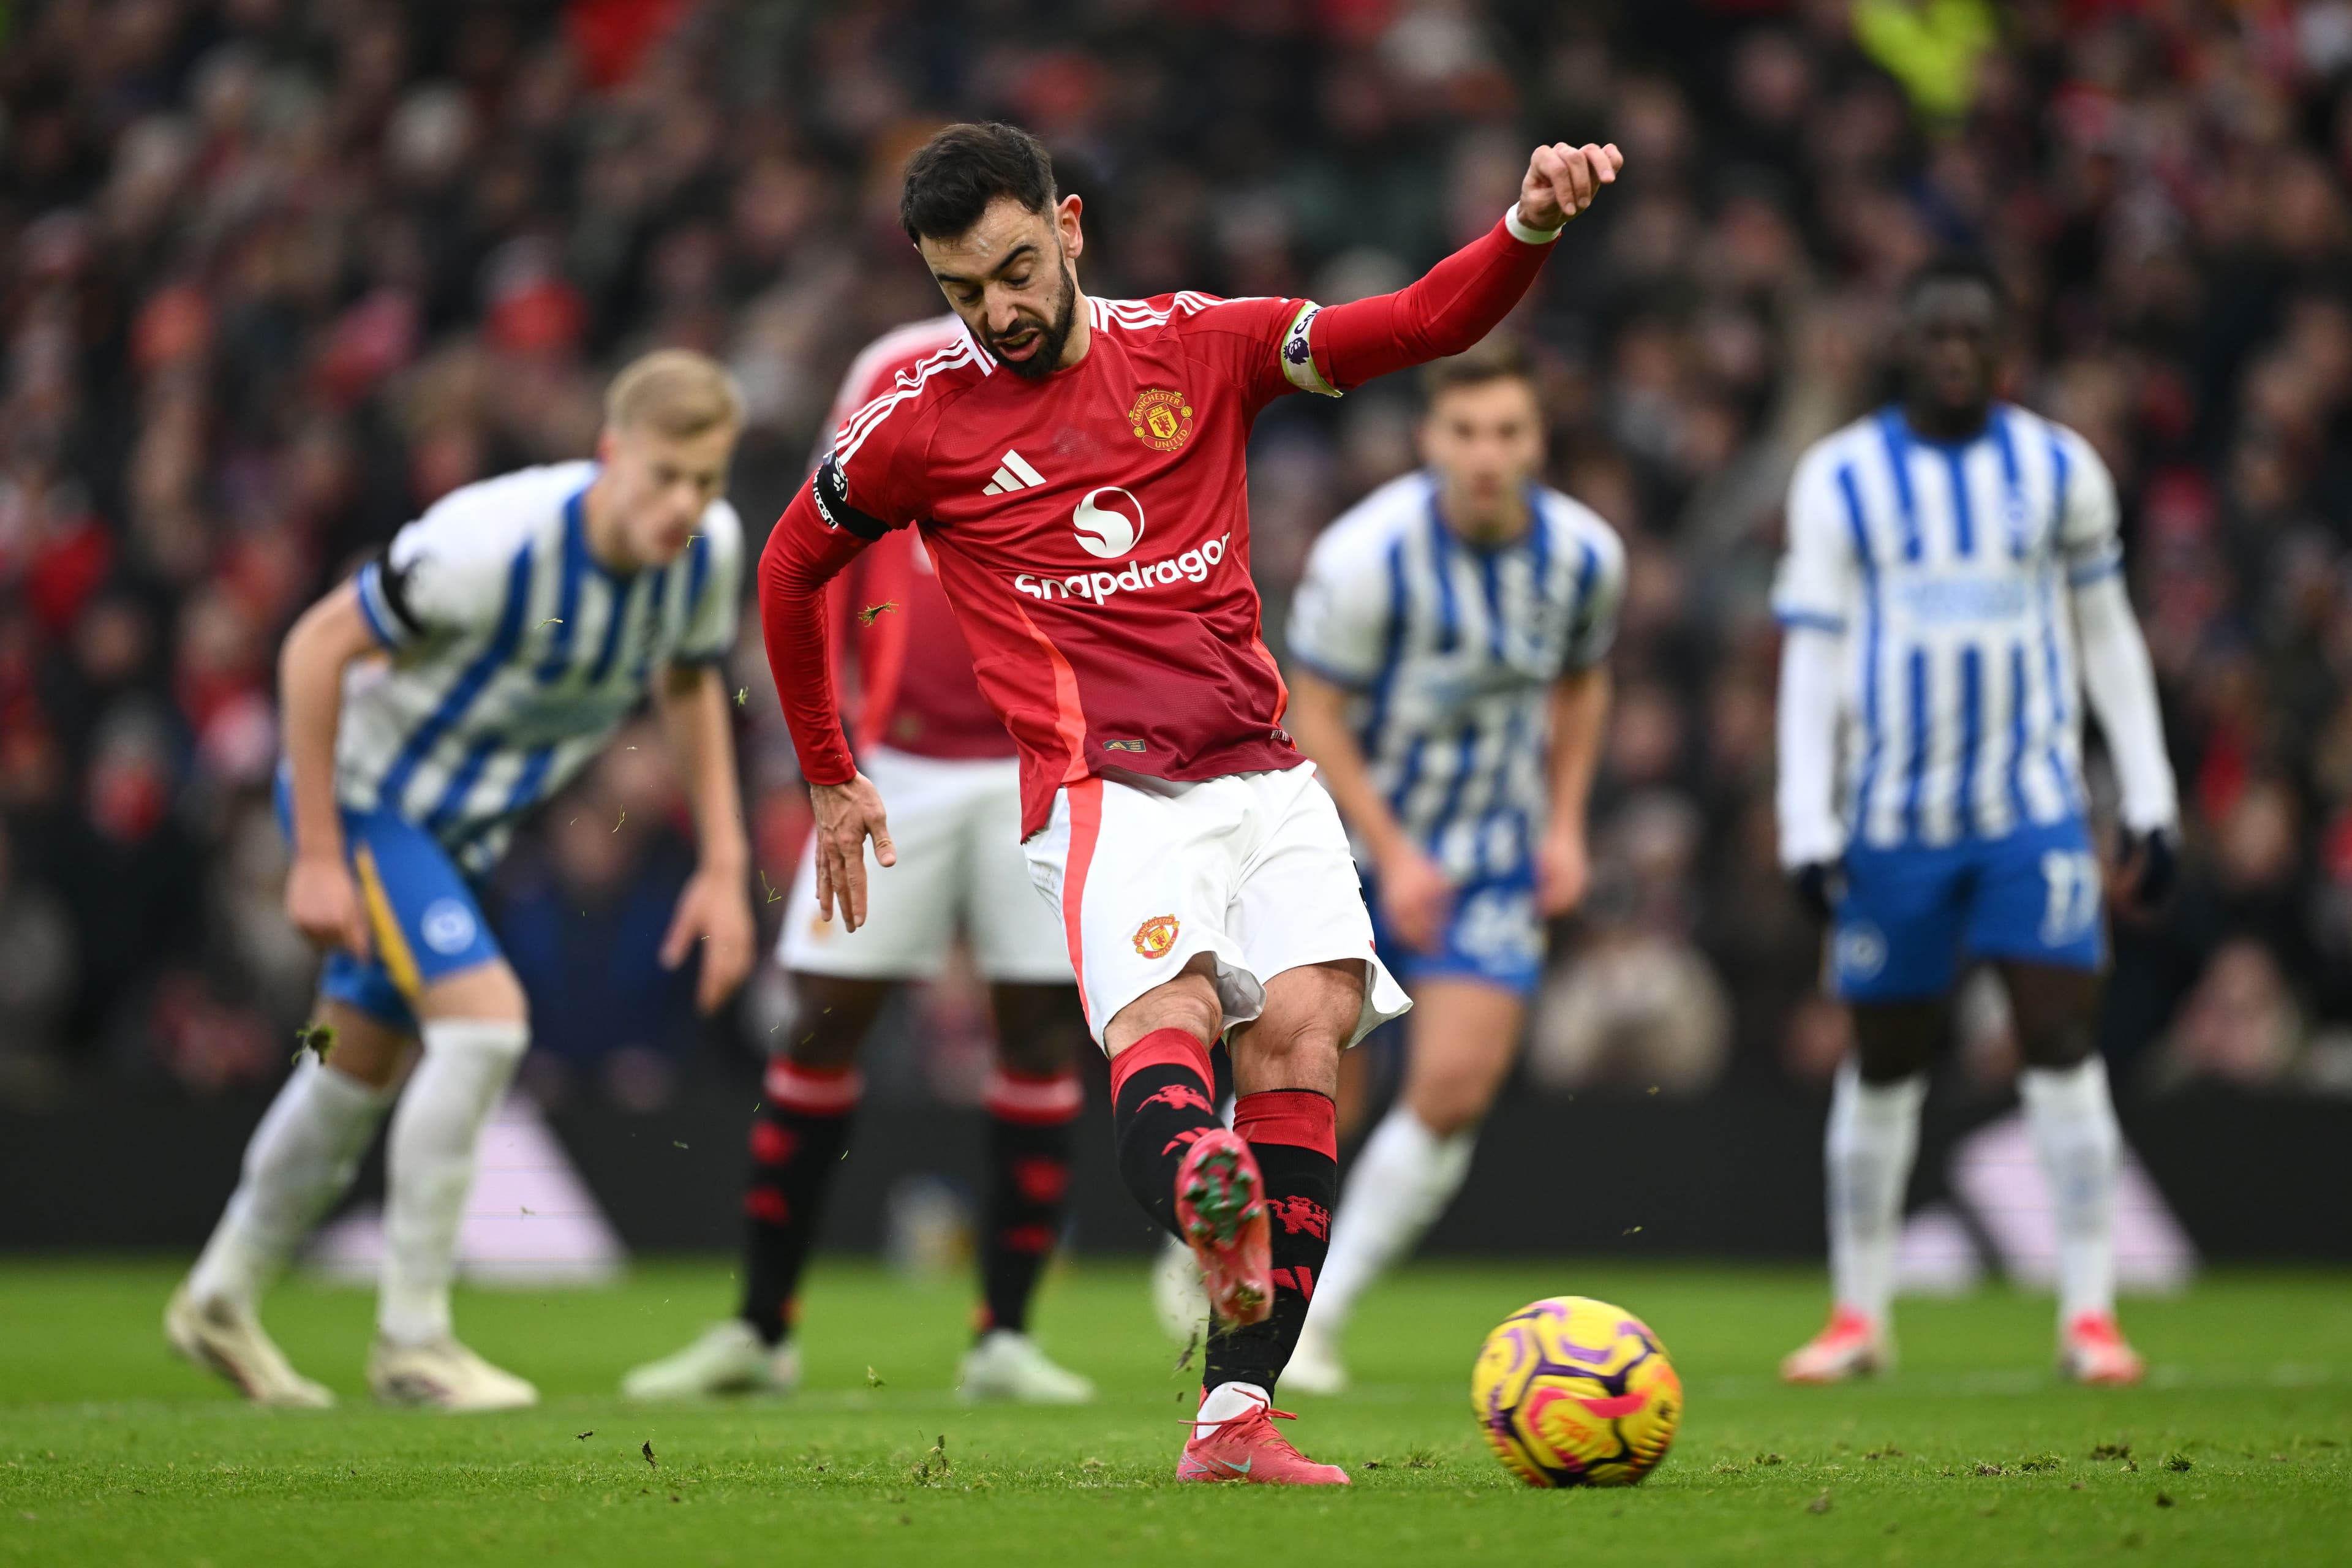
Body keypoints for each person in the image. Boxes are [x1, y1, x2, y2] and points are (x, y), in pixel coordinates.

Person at [760, 120, 1622, 1485]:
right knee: (1164, 1026)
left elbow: (1410, 325)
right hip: (1106, 790)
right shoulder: (922, 424)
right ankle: (1206, 1195)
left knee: (1308, 1029)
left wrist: (1529, 226)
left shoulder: (1200, 342)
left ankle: (1234, 1417)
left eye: (1014, 270)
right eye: (961, 291)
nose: (997, 312)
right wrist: (827, 764)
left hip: (1266, 772)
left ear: (1074, 225)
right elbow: (790, 564)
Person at [167, 352, 758, 1410]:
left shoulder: (706, 552)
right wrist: (310, 856)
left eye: (706, 481)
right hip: (362, 799)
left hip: (456, 834)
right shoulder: (488, 544)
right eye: (665, 475)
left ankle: (220, 1294)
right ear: (610, 454)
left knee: (353, 1076)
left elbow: (688, 685)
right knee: (485, 1027)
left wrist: (722, 863)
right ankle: (414, 1341)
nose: (686, 505)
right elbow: (312, 648)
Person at [620, 318, 1096, 1406]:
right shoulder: (893, 366)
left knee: (1034, 1031)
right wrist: (825, 742)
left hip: (1045, 765)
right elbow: (818, 549)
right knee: (824, 1018)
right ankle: (759, 1330)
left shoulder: (1102, 367)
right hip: (903, 767)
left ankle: (1006, 1339)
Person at [1773, 255, 2178, 1386]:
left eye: (1974, 333)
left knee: (2060, 1044)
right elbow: (1811, 652)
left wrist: (2148, 793)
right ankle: (1859, 1315)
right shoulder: (1841, 478)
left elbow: (2107, 636)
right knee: (1886, 1060)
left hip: (2031, 812)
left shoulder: (2060, 469)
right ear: (1904, 346)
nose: (1954, 350)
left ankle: (2090, 1313)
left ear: (2003, 351)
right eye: (1934, 332)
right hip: (1894, 818)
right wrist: (1805, 817)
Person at [1274, 337, 1623, 1395]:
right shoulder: (1364, 556)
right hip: (1342, 842)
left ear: (1536, 440)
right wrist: (1392, 851)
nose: (1486, 454)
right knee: (1325, 1082)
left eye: (1507, 432)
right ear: (1429, 438)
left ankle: (1317, 1315)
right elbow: (1314, 710)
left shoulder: (1585, 558)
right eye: (1465, 433)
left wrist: (1565, 826)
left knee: (1457, 1087)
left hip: (1488, 854)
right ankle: (1237, 1246)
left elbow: (1583, 686)